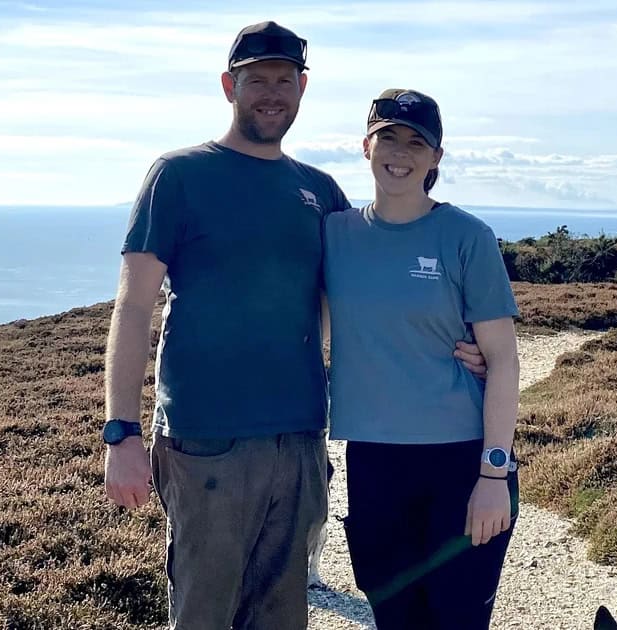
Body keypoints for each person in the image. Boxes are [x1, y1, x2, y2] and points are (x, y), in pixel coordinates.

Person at [99, 22, 485, 630]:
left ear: (302, 88)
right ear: (230, 86)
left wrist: (468, 346)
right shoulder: (178, 175)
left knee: (283, 619)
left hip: (301, 441)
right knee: (204, 614)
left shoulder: (319, 191)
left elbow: (373, 289)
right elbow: (133, 306)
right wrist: (121, 431)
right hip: (207, 440)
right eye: (257, 80)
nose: (271, 93)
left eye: (285, 80)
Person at [323, 88, 522, 630]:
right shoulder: (335, 234)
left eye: (417, 142)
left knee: (456, 619)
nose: (400, 152)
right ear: (366, 146)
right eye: (388, 136)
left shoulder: (466, 236)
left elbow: (503, 361)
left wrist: (493, 475)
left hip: (461, 461)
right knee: (395, 617)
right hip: (373, 462)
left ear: (436, 157)